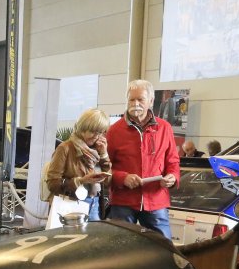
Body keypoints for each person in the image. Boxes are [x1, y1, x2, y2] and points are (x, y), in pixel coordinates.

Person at [106, 79, 179, 237]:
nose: (135, 104)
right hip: (123, 202)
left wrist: (172, 177)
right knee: (119, 246)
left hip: (156, 200)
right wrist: (122, 178)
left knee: (163, 246)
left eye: (140, 99)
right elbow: (104, 168)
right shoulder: (114, 131)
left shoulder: (164, 128)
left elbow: (173, 161)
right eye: (132, 99)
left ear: (151, 101)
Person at [42, 108, 113, 221]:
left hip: (95, 203)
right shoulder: (65, 148)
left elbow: (108, 182)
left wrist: (104, 155)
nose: (96, 136)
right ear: (82, 128)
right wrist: (81, 181)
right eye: (92, 131)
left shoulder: (98, 150)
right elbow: (52, 183)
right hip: (71, 204)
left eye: (100, 132)